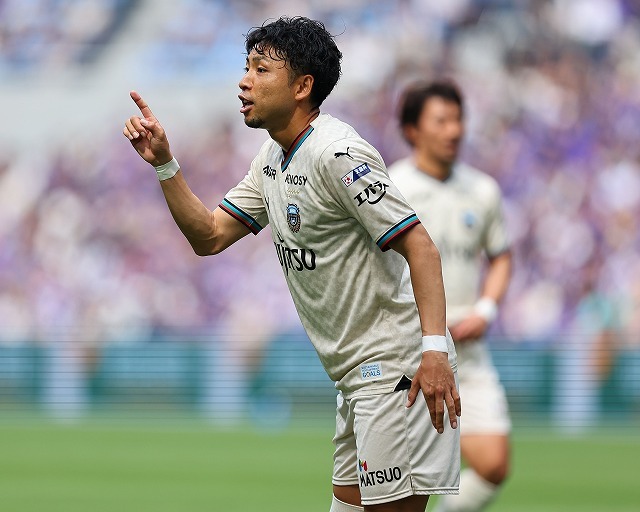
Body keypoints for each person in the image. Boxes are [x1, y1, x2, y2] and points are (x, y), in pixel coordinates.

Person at [123, 16, 460, 512]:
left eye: (261, 69)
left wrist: (434, 353)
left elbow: (421, 246)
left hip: (397, 371)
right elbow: (210, 236)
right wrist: (165, 165)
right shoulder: (271, 158)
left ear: (302, 86)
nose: (244, 81)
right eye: (246, 67)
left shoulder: (338, 153)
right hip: (355, 380)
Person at [388, 80, 513, 512]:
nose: (454, 130)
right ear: (412, 130)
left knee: (493, 464)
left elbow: (501, 256)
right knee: (404, 478)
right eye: (441, 121)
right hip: (411, 349)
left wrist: (486, 309)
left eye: (458, 120)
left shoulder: (483, 190)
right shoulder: (391, 186)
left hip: (467, 349)